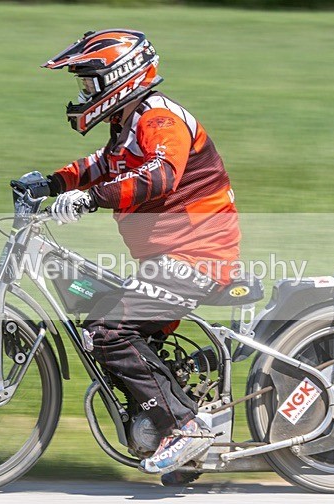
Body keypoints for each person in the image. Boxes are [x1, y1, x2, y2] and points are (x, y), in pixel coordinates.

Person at [40, 29, 241, 480]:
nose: (84, 93)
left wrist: (90, 199)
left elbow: (159, 177)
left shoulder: (160, 119)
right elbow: (102, 164)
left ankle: (186, 429)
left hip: (197, 254)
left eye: (90, 83)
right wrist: (52, 183)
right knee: (108, 320)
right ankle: (171, 426)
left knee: (108, 331)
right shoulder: (129, 125)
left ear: (121, 78)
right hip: (170, 257)